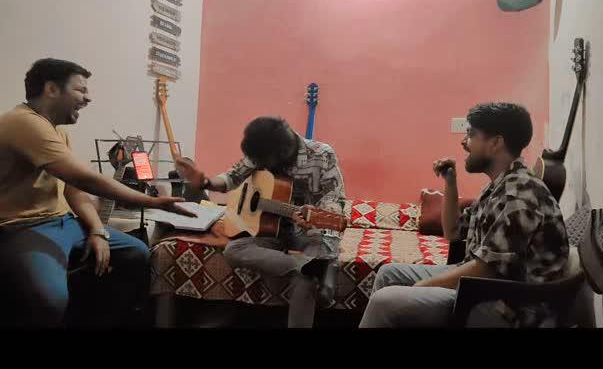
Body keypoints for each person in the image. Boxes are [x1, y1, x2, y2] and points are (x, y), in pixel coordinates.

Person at [0, 58, 195, 328]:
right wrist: (154, 201)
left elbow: (74, 190)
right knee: (51, 298)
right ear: (51, 89)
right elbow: (85, 179)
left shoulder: (57, 131)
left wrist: (97, 230)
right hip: (21, 227)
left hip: (63, 222)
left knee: (137, 252)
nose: (88, 98)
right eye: (81, 90)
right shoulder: (22, 122)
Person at [359, 102, 570, 329]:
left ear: (496, 143)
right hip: (482, 285)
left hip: (509, 305)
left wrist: (422, 287)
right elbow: (453, 232)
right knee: (388, 274)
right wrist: (450, 182)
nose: (464, 142)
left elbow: (486, 270)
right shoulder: (500, 186)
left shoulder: (518, 195)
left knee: (385, 301)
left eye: (471, 134)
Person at [175, 116, 346, 327]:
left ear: (283, 152)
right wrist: (205, 182)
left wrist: (317, 214)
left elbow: (335, 200)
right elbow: (233, 177)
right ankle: (308, 266)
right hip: (270, 230)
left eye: (265, 162)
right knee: (233, 250)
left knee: (307, 277)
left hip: (308, 231)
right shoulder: (264, 148)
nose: (260, 165)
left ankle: (316, 267)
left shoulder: (322, 154)